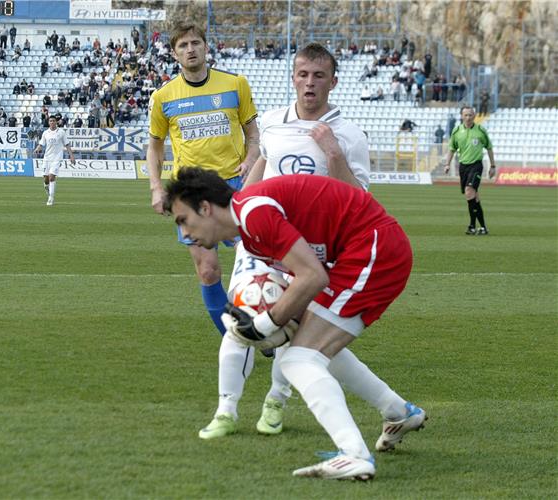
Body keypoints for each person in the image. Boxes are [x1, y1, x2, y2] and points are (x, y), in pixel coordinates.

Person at [164, 167, 426, 481]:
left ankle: (354, 454)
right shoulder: (251, 230)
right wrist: (274, 321)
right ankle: (398, 413)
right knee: (306, 347)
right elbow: (306, 276)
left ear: (205, 208)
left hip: (372, 249)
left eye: (183, 220)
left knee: (300, 358)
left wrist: (263, 324)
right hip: (366, 250)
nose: (185, 234)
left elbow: (313, 276)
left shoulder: (254, 214)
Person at [199, 43, 380, 442]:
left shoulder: (349, 135)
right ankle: (226, 409)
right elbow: (262, 162)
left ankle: (276, 401)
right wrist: (238, 214)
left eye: (318, 76)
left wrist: (333, 153)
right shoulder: (272, 121)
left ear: (333, 82)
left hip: (312, 249)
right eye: (303, 74)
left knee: (292, 329)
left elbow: (362, 202)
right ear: (293, 78)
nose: (310, 83)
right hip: (262, 238)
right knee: (238, 320)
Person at [147, 21, 260, 336]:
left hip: (233, 187)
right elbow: (154, 149)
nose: (190, 49)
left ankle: (261, 326)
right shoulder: (164, 96)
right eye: (183, 46)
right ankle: (234, 340)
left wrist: (251, 160)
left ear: (206, 47)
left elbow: (253, 135)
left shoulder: (235, 84)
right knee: (208, 271)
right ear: (174, 53)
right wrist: (157, 188)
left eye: (195, 43)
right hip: (190, 195)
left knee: (250, 265)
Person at [445, 106, 495, 235]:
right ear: (462, 116)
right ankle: (483, 227)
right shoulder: (456, 131)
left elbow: (489, 148)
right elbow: (452, 148)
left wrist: (493, 166)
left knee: (469, 192)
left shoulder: (480, 131)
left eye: (471, 115)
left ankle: (472, 226)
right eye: (466, 115)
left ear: (474, 116)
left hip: (476, 165)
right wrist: (447, 164)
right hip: (463, 166)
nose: (468, 117)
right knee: (474, 197)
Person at [33, 116, 76, 206]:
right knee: (46, 179)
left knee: (52, 177)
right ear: (48, 123)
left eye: (53, 121)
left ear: (56, 122)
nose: (52, 122)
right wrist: (37, 149)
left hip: (57, 158)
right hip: (47, 158)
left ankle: (51, 198)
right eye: (50, 121)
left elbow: (67, 145)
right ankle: (47, 188)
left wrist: (71, 156)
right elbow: (41, 144)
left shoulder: (61, 132)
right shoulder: (46, 133)